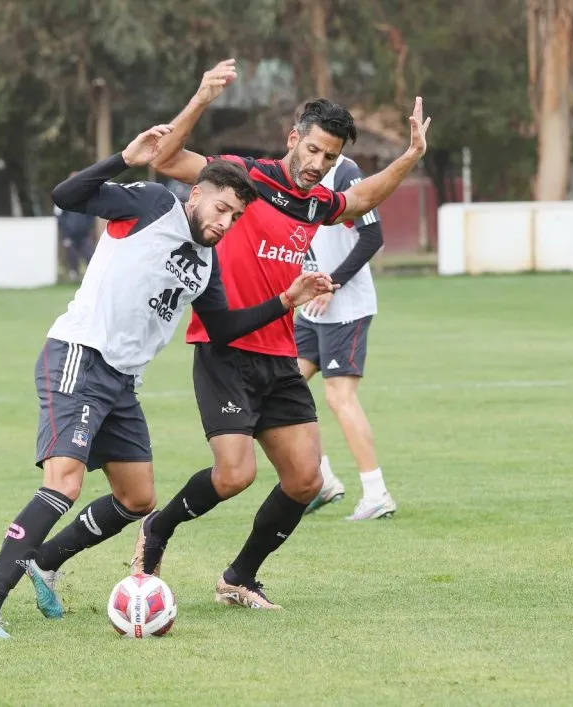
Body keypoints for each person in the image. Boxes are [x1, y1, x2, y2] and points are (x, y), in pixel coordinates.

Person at [0, 123, 336, 638]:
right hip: (80, 354)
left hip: (122, 382)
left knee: (137, 499)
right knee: (64, 482)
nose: (227, 223)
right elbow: (67, 195)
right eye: (221, 209)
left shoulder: (204, 264)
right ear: (196, 195)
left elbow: (223, 327)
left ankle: (45, 561)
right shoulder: (154, 204)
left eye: (237, 216)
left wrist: (286, 301)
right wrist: (122, 158)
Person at [130, 60, 430, 609]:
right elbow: (167, 158)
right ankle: (159, 527)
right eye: (313, 150)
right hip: (225, 349)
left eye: (331, 157)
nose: (319, 164)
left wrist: (410, 156)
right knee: (234, 475)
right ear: (294, 138)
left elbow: (361, 200)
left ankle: (240, 577)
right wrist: (201, 97)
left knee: (304, 479)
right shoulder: (247, 178)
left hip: (280, 355)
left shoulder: (318, 203)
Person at [296, 141, 396, 521]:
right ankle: (320, 479)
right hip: (313, 308)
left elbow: (373, 237)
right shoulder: (295, 176)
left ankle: (376, 493)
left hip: (345, 308)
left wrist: (332, 283)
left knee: (340, 397)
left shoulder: (345, 174)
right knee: (281, 386)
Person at [53, 173, 97, 280]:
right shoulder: (63, 196)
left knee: (90, 256)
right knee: (72, 257)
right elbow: (58, 216)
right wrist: (65, 233)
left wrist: (88, 227)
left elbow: (91, 214)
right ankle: (74, 276)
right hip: (69, 235)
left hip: (84, 234)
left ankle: (92, 277)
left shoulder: (86, 196)